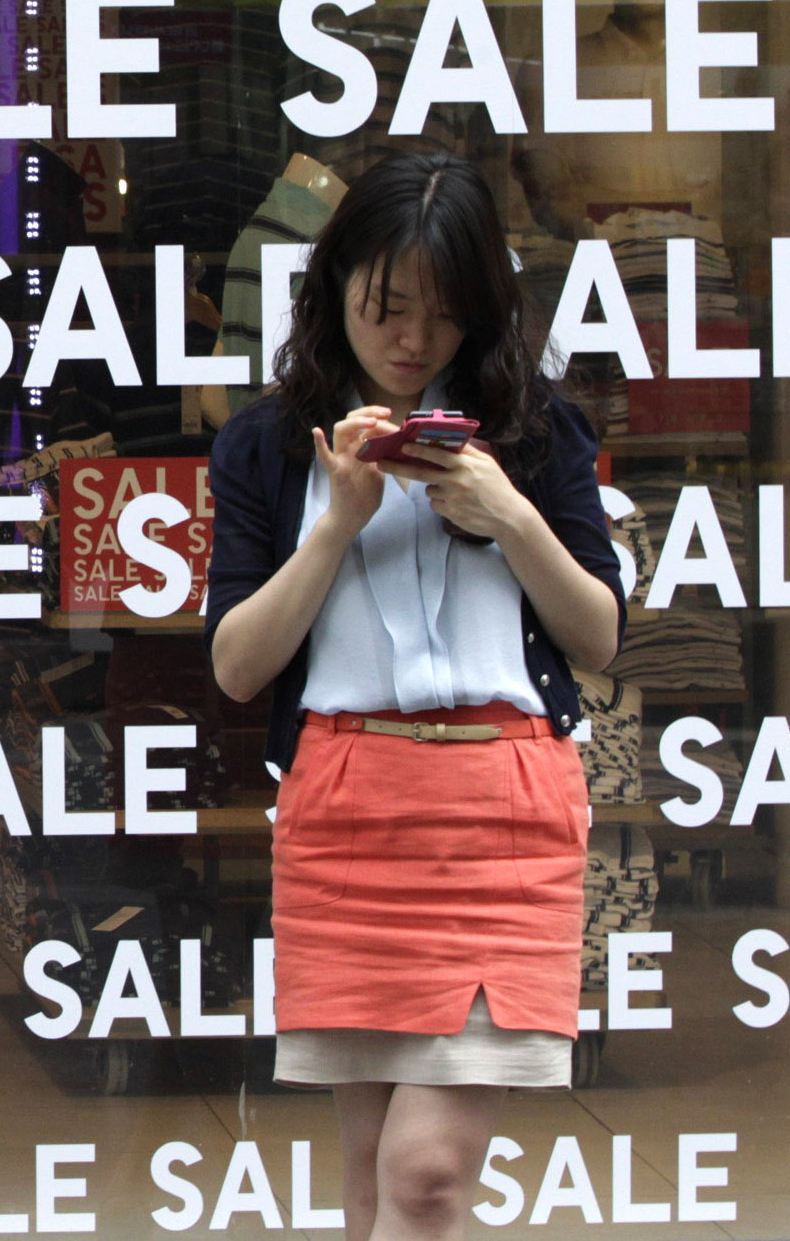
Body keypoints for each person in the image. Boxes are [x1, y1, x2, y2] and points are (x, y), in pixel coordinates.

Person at [205, 152, 626, 1241]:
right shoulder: (268, 444)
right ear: (335, 284)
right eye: (385, 306)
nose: (411, 340)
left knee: (427, 1176)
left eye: (443, 314)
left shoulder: (535, 430)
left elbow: (598, 639)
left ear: (481, 310)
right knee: (369, 1181)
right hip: (349, 804)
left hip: (503, 806)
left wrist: (511, 514)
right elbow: (239, 666)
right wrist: (336, 521)